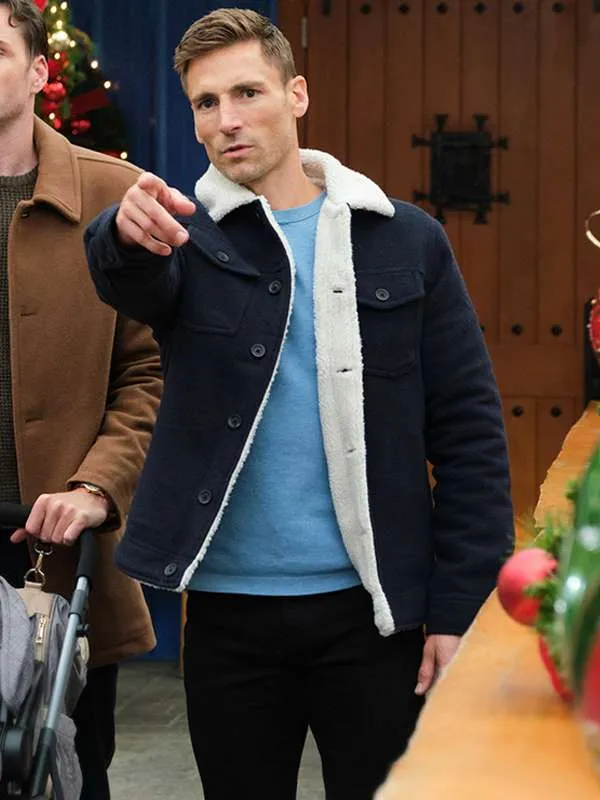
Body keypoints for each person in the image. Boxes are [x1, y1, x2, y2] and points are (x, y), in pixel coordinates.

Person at [84, 8, 514, 799]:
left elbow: (470, 437)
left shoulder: (407, 240)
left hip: (376, 616)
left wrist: (460, 611)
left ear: (298, 94)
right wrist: (119, 232)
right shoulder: (183, 240)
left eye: (247, 92)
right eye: (206, 103)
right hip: (226, 620)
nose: (227, 119)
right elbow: (128, 278)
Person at [0, 1, 162, 798]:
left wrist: (97, 486)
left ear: (39, 71)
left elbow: (151, 373)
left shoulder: (114, 194)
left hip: (55, 554)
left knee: (63, 772)